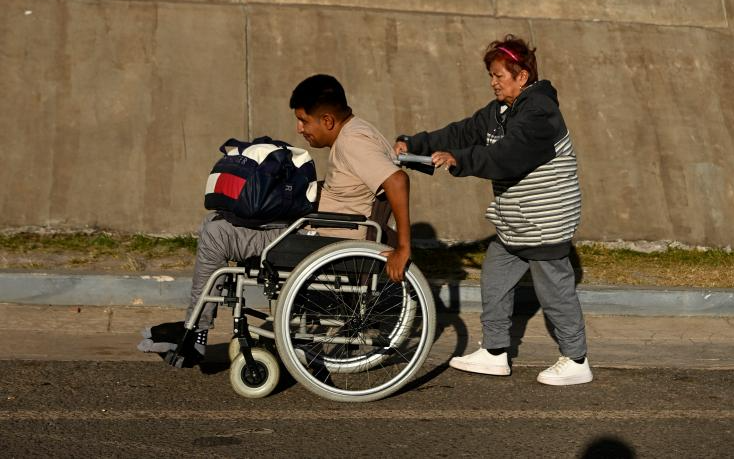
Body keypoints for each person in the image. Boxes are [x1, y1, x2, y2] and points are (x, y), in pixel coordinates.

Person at [138, 74, 412, 365]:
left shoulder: (353, 142)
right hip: (317, 229)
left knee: (216, 233)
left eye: (304, 121)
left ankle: (197, 333)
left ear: (328, 120)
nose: (299, 129)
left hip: (323, 241)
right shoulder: (361, 131)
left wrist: (403, 248)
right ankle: (196, 326)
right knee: (218, 221)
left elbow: (397, 181)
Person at [394, 35, 591, 386]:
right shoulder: (500, 111)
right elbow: (463, 132)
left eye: (500, 76)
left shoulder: (540, 112)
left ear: (523, 76)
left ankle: (576, 359)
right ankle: (495, 353)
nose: (493, 82)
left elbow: (507, 157)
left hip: (545, 220)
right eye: (492, 75)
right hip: (517, 222)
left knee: (554, 292)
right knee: (496, 277)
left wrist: (460, 160)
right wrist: (416, 144)